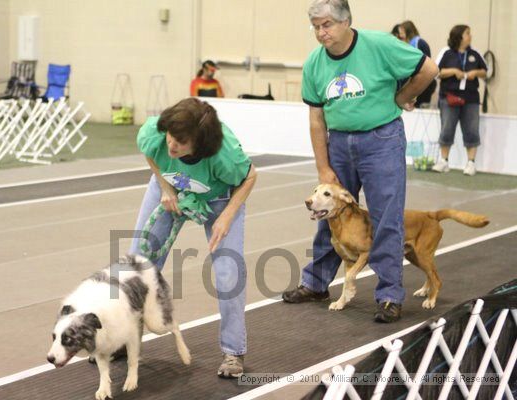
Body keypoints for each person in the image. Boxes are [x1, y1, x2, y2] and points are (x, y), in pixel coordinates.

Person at [282, 0, 438, 323]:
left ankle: (389, 296)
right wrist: (323, 168)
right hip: (338, 142)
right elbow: (315, 120)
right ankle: (315, 283)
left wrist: (404, 96)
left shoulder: (379, 45)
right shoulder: (314, 63)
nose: (321, 33)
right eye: (316, 27)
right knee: (328, 214)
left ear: (346, 22)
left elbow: (429, 69)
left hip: (381, 141)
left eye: (326, 25)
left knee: (386, 219)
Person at [130, 97, 257, 377]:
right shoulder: (156, 133)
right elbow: (150, 152)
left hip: (220, 197)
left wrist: (226, 216)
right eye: (170, 138)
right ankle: (124, 340)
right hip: (171, 187)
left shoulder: (225, 155)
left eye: (180, 142)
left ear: (199, 144)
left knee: (229, 272)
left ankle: (233, 352)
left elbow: (250, 177)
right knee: (138, 263)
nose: (171, 145)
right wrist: (165, 187)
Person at [432, 25, 487, 176]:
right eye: (467, 33)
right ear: (459, 36)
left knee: (471, 129)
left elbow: (485, 71)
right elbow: (435, 71)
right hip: (449, 96)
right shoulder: (446, 52)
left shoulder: (475, 54)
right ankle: (444, 161)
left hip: (470, 98)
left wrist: (475, 72)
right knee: (447, 128)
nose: (470, 36)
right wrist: (453, 71)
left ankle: (471, 163)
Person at [400, 20, 437, 107]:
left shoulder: (416, 43)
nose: (400, 35)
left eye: (402, 32)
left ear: (407, 31)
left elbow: (415, 65)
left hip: (423, 83)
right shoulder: (412, 42)